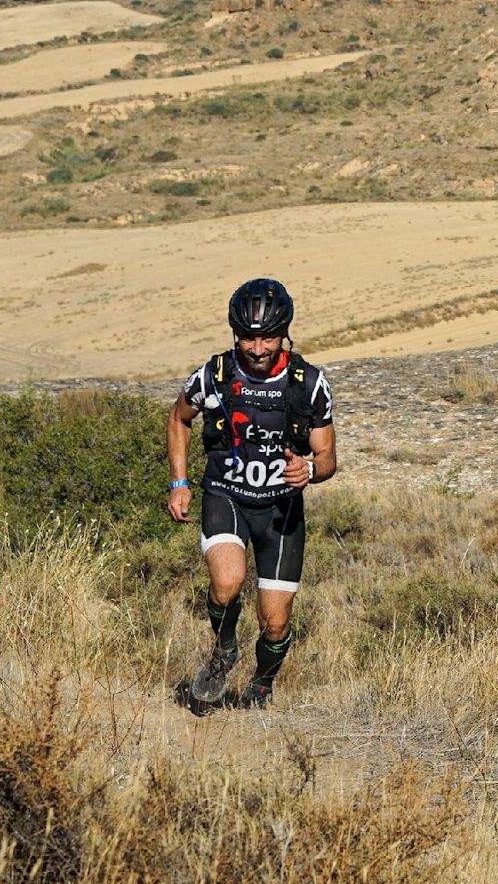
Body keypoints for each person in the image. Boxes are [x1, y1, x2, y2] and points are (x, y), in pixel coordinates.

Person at [166, 278, 337, 709]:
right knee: (227, 582)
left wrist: (310, 470)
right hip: (225, 494)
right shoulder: (213, 376)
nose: (258, 349)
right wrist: (180, 483)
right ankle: (224, 649)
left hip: (281, 509)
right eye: (247, 337)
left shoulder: (309, 384)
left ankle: (262, 682)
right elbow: (178, 419)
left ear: (284, 334)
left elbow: (328, 457)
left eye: (268, 338)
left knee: (275, 622)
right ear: (234, 334)